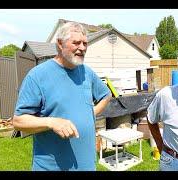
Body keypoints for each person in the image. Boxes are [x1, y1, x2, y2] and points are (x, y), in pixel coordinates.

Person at [12, 22, 111, 171]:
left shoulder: (86, 72)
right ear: (60, 43)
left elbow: (106, 95)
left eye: (85, 43)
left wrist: (90, 114)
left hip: (87, 166)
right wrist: (51, 122)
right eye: (76, 43)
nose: (83, 48)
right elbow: (18, 121)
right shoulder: (38, 76)